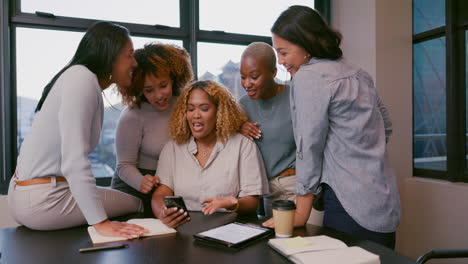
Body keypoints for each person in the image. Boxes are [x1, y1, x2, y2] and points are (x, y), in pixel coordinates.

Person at [263, 5, 400, 249]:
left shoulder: (309, 77)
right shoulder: (358, 73)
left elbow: (308, 148)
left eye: (284, 53)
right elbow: (386, 126)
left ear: (305, 43)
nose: (281, 62)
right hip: (383, 202)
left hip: (348, 205)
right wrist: (360, 156)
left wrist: (300, 214)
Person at [8, 21, 148, 238]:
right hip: (44, 200)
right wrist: (101, 224)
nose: (135, 63)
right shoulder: (82, 78)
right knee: (138, 204)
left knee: (129, 201)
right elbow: (74, 161)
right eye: (129, 55)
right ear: (109, 55)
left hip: (29, 192)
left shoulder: (78, 78)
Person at [151, 80, 269, 228]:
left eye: (204, 109)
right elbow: (160, 194)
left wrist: (233, 203)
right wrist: (162, 213)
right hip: (185, 229)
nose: (196, 115)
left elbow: (252, 201)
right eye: (190, 109)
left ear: (219, 112)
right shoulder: (172, 148)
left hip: (230, 229)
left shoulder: (243, 145)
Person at [111, 43, 193, 217]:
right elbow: (123, 166)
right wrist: (141, 182)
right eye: (149, 90)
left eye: (163, 85)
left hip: (169, 185)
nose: (158, 95)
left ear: (173, 78)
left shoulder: (185, 104)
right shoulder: (132, 115)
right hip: (133, 187)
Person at [238, 42, 297, 205]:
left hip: (296, 186)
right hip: (264, 192)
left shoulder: (295, 97)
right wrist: (238, 129)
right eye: (243, 77)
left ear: (273, 72)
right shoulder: (242, 105)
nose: (247, 84)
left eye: (254, 77)